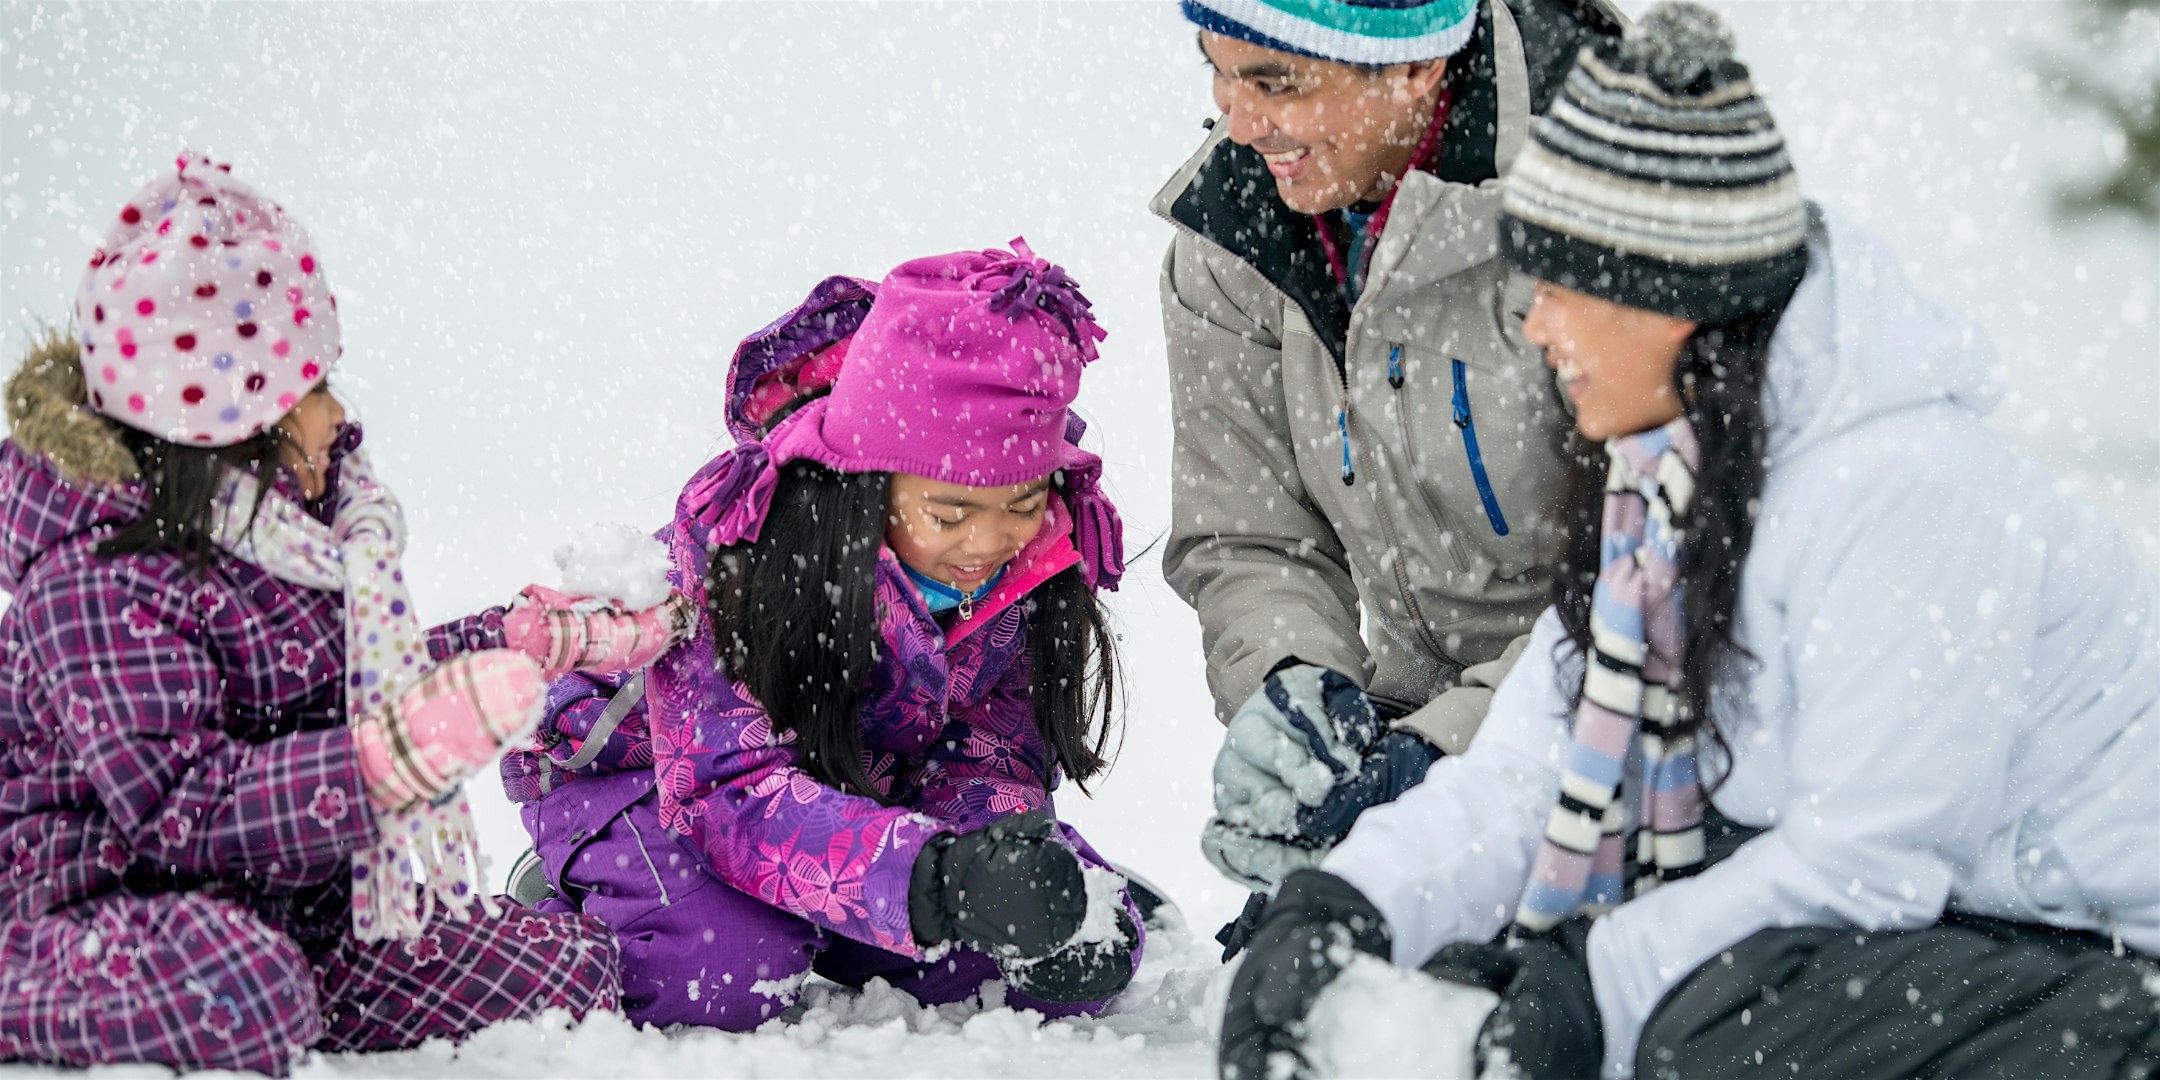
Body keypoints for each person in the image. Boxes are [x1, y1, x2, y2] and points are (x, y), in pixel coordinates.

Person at [1213, 7, 2160, 1078]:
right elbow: (1535, 772)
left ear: (1668, 302)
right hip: (1954, 928)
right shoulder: (1661, 478)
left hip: (2095, 954)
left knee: (1714, 1028)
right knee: (1550, 947)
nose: (1537, 328)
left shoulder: (1909, 493)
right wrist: (1346, 906)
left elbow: (1866, 870)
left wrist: (1589, 990)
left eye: (1562, 290)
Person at [0, 154, 690, 1074]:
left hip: (291, 891)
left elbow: (350, 679)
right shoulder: (99, 578)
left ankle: (287, 987)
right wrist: (383, 765)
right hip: (99, 900)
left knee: (564, 970)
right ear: (229, 422)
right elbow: (182, 810)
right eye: (309, 390)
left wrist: (517, 639)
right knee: (245, 992)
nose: (337, 416)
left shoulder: (291, 534)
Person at [502, 242, 1144, 1031]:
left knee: (1013, 966)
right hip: (646, 779)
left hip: (848, 782)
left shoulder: (1027, 570)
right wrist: (928, 879)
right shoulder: (745, 554)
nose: (987, 544)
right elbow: (724, 790)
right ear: (870, 479)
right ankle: (576, 893)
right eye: (950, 513)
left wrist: (997, 867)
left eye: (1019, 505)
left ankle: (821, 915)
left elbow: (987, 754)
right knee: (718, 975)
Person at [1154, 0, 1627, 920]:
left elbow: (1670, 587)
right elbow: (1251, 536)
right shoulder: (1231, 235)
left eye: (1275, 80)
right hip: (1421, 730)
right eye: (1218, 67)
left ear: (1414, 68)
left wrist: (1449, 764)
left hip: (1648, 748)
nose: (1240, 124)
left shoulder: (1617, 206)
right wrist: (1304, 707)